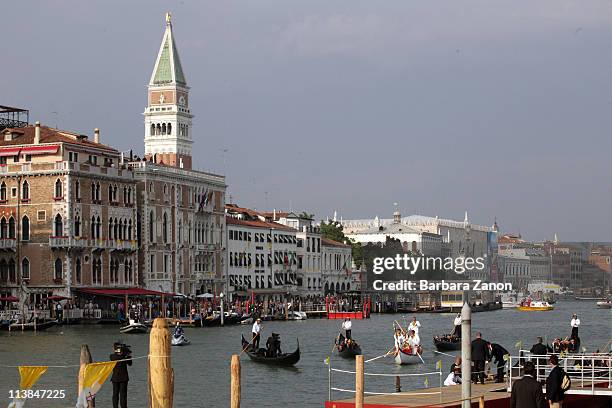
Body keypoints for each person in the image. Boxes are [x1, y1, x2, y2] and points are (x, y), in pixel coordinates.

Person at [110, 342, 132, 408]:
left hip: (117, 378)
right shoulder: (114, 356)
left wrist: (128, 355)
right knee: (120, 395)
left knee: (117, 395)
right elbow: (129, 363)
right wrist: (126, 354)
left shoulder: (114, 356)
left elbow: (129, 363)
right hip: (122, 378)